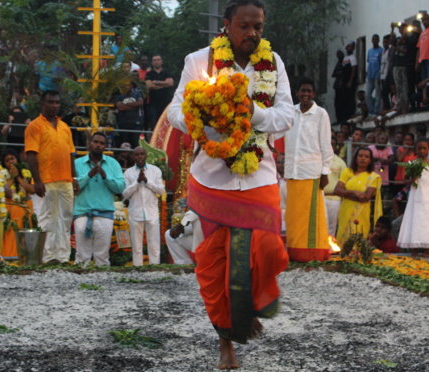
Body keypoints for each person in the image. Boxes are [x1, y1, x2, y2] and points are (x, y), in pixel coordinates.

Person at [166, 0, 293, 368]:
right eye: (244, 26)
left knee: (267, 248)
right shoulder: (198, 61)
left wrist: (249, 112)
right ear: (226, 25)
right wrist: (204, 118)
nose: (252, 33)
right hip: (210, 176)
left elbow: (285, 116)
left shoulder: (274, 63)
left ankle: (249, 307)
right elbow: (175, 110)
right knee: (214, 265)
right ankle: (226, 344)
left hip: (259, 173)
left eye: (259, 27)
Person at [280, 77, 333, 262]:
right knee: (294, 216)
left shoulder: (321, 114)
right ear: (297, 93)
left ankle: (312, 254)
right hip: (292, 172)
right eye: (303, 90)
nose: (305, 94)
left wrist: (325, 172)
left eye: (309, 91)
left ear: (314, 94)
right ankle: (294, 252)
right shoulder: (289, 113)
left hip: (312, 172)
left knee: (311, 217)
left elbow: (326, 145)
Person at [25, 89, 78, 264]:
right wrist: (37, 180)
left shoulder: (65, 127)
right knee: (46, 218)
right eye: (51, 102)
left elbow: (71, 154)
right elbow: (31, 154)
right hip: (46, 180)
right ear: (43, 104)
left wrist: (75, 178)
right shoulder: (35, 125)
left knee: (65, 217)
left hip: (66, 180)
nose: (55, 106)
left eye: (57, 102)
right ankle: (47, 257)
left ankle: (62, 257)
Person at [74, 132, 125, 267]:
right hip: (82, 214)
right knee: (82, 257)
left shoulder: (113, 163)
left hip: (105, 214)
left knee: (102, 257)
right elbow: (73, 187)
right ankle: (78, 286)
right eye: (96, 142)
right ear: (89, 143)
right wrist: (88, 175)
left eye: (102, 143)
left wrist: (105, 177)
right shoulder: (77, 163)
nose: (98, 145)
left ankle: (103, 286)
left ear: (105, 146)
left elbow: (120, 188)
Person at [397, 137, 429, 256]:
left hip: (428, 196)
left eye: (424, 148)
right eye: (419, 148)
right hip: (415, 195)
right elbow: (405, 180)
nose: (422, 151)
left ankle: (426, 249)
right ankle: (414, 248)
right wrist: (411, 180)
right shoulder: (411, 164)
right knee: (415, 219)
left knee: (427, 220)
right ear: (415, 150)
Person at [123, 146, 164, 266]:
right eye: (137, 155)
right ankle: (138, 270)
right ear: (133, 157)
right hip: (135, 213)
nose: (139, 157)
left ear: (146, 155)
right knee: (137, 247)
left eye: (142, 154)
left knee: (154, 245)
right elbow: (125, 194)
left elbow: (161, 191)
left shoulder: (155, 170)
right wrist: (137, 182)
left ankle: (155, 270)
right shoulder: (128, 172)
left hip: (152, 213)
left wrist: (147, 181)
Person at [334, 147, 382, 248]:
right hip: (345, 210)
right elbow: (336, 191)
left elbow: (365, 198)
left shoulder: (373, 177)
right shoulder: (347, 171)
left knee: (358, 237)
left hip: (361, 212)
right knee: (343, 237)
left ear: (370, 160)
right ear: (356, 158)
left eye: (366, 157)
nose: (363, 158)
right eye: (360, 156)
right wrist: (355, 192)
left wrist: (345, 193)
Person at [1, 149, 35, 258]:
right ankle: (9, 258)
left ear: (17, 159)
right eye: (7, 160)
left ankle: (26, 259)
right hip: (10, 211)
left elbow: (32, 190)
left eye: (12, 158)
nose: (10, 162)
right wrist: (12, 177)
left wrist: (18, 177)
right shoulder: (1, 175)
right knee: (10, 236)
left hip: (25, 210)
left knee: (25, 235)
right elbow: (4, 191)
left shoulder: (26, 173)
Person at [324, 136, 347, 238]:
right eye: (328, 144)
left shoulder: (340, 162)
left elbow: (345, 182)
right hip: (320, 196)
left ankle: (330, 250)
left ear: (336, 147)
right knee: (320, 224)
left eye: (333, 144)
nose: (330, 146)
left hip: (335, 198)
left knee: (331, 226)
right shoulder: (318, 160)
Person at [144, 54, 174, 131]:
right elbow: (149, 85)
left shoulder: (166, 72)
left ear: (161, 61)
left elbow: (171, 83)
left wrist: (156, 82)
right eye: (154, 60)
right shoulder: (149, 73)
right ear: (152, 62)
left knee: (166, 125)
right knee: (154, 126)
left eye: (158, 60)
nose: (156, 62)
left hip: (165, 103)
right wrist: (164, 84)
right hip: (153, 105)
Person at [116, 79, 144, 147]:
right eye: (124, 85)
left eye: (128, 85)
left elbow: (140, 103)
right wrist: (133, 106)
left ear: (131, 86)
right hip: (124, 124)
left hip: (136, 124)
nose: (126, 87)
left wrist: (126, 104)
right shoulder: (120, 96)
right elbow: (119, 107)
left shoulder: (137, 95)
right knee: (124, 145)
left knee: (136, 144)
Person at [366, 34, 384, 116]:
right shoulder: (370, 51)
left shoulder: (381, 50)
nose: (374, 40)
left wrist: (381, 76)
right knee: (367, 94)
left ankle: (376, 111)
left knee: (377, 95)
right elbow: (369, 63)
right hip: (370, 76)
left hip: (377, 76)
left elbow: (382, 64)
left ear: (378, 40)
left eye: (376, 39)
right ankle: (370, 110)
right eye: (373, 39)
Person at [342, 41, 358, 119]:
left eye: (351, 47)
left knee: (350, 97)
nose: (350, 48)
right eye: (349, 46)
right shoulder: (345, 58)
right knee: (345, 98)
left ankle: (351, 113)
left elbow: (354, 69)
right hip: (345, 80)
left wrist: (350, 81)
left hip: (350, 81)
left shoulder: (353, 57)